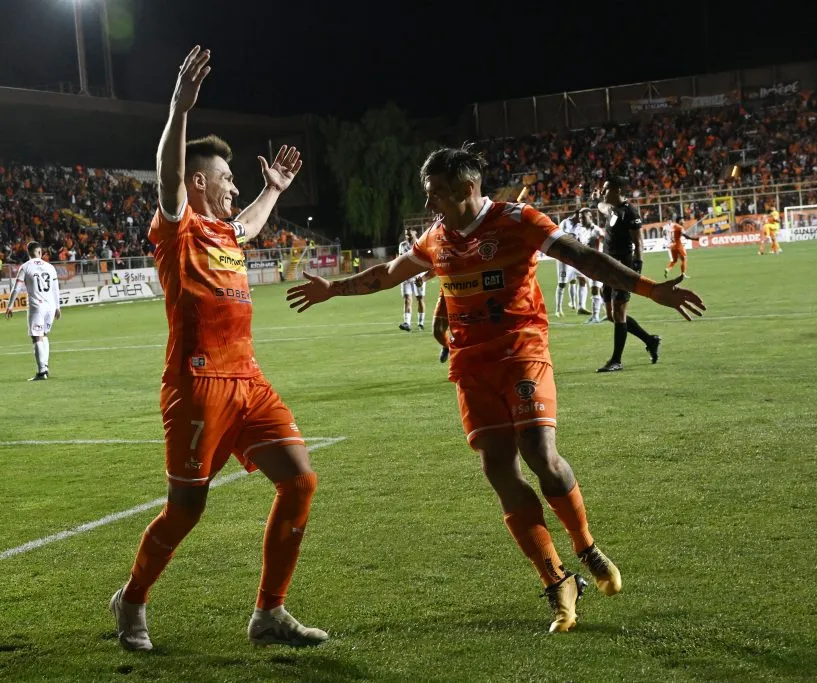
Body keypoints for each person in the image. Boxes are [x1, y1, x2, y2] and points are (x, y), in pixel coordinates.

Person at [287, 145, 705, 633]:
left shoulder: (517, 220)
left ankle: (586, 545)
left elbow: (584, 257)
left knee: (539, 452)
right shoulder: (435, 239)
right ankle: (557, 581)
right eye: (428, 195)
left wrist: (652, 290)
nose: (432, 203)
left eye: (439, 193)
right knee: (500, 471)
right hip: (471, 366)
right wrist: (332, 288)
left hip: (522, 351)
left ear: (468, 188)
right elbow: (386, 275)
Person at [109, 46, 327, 652]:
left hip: (248, 381)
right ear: (200, 182)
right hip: (198, 385)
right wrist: (179, 107)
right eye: (228, 180)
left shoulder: (227, 233)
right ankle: (131, 601)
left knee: (300, 480)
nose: (235, 187)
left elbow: (251, 224)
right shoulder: (177, 229)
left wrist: (273, 190)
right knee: (186, 510)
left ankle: (269, 614)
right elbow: (169, 179)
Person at [594, 180, 662, 373]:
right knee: (610, 315)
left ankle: (616, 360)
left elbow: (638, 243)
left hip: (623, 269)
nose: (603, 191)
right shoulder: (611, 208)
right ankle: (650, 340)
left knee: (619, 313)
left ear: (616, 189)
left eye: (606, 189)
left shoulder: (630, 212)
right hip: (607, 269)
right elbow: (602, 206)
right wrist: (598, 199)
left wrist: (636, 271)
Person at [5, 241, 61, 381]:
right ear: (40, 252)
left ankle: (42, 372)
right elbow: (55, 289)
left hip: (37, 307)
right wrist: (58, 307)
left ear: (28, 252)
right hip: (50, 306)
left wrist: (10, 305)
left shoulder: (25, 267)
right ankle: (45, 367)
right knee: (44, 335)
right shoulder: (50, 267)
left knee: (36, 337)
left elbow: (16, 288)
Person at [579, 209, 606, 323]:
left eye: (583, 218)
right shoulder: (582, 231)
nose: (581, 220)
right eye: (580, 218)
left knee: (595, 289)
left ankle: (595, 317)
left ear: (590, 217)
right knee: (599, 291)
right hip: (589, 265)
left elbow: (606, 241)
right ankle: (610, 313)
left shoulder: (596, 231)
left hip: (598, 264)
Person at [397, 229, 426, 331]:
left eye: (409, 234)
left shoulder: (421, 244)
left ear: (415, 233)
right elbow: (400, 260)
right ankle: (407, 323)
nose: (408, 236)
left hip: (418, 277)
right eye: (406, 234)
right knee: (407, 299)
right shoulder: (402, 245)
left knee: (419, 299)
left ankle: (420, 323)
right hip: (406, 277)